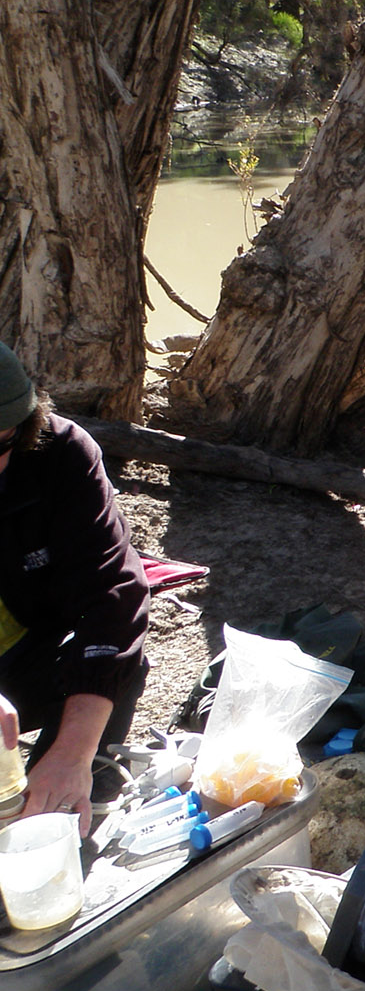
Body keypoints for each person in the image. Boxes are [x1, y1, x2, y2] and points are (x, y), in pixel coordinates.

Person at [0, 341, 150, 834]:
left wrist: (72, 753)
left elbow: (114, 593)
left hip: (27, 654)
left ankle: (60, 806)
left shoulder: (60, 454)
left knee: (116, 664)